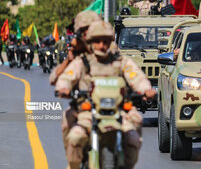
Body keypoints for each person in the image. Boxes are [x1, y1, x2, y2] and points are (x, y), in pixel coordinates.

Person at [55, 21, 156, 169]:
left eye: (106, 41)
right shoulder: (82, 62)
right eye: (97, 41)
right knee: (76, 136)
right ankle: (73, 165)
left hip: (120, 112)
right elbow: (67, 77)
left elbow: (137, 77)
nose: (102, 45)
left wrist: (146, 89)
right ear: (90, 42)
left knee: (133, 135)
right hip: (88, 112)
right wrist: (63, 88)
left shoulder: (121, 61)